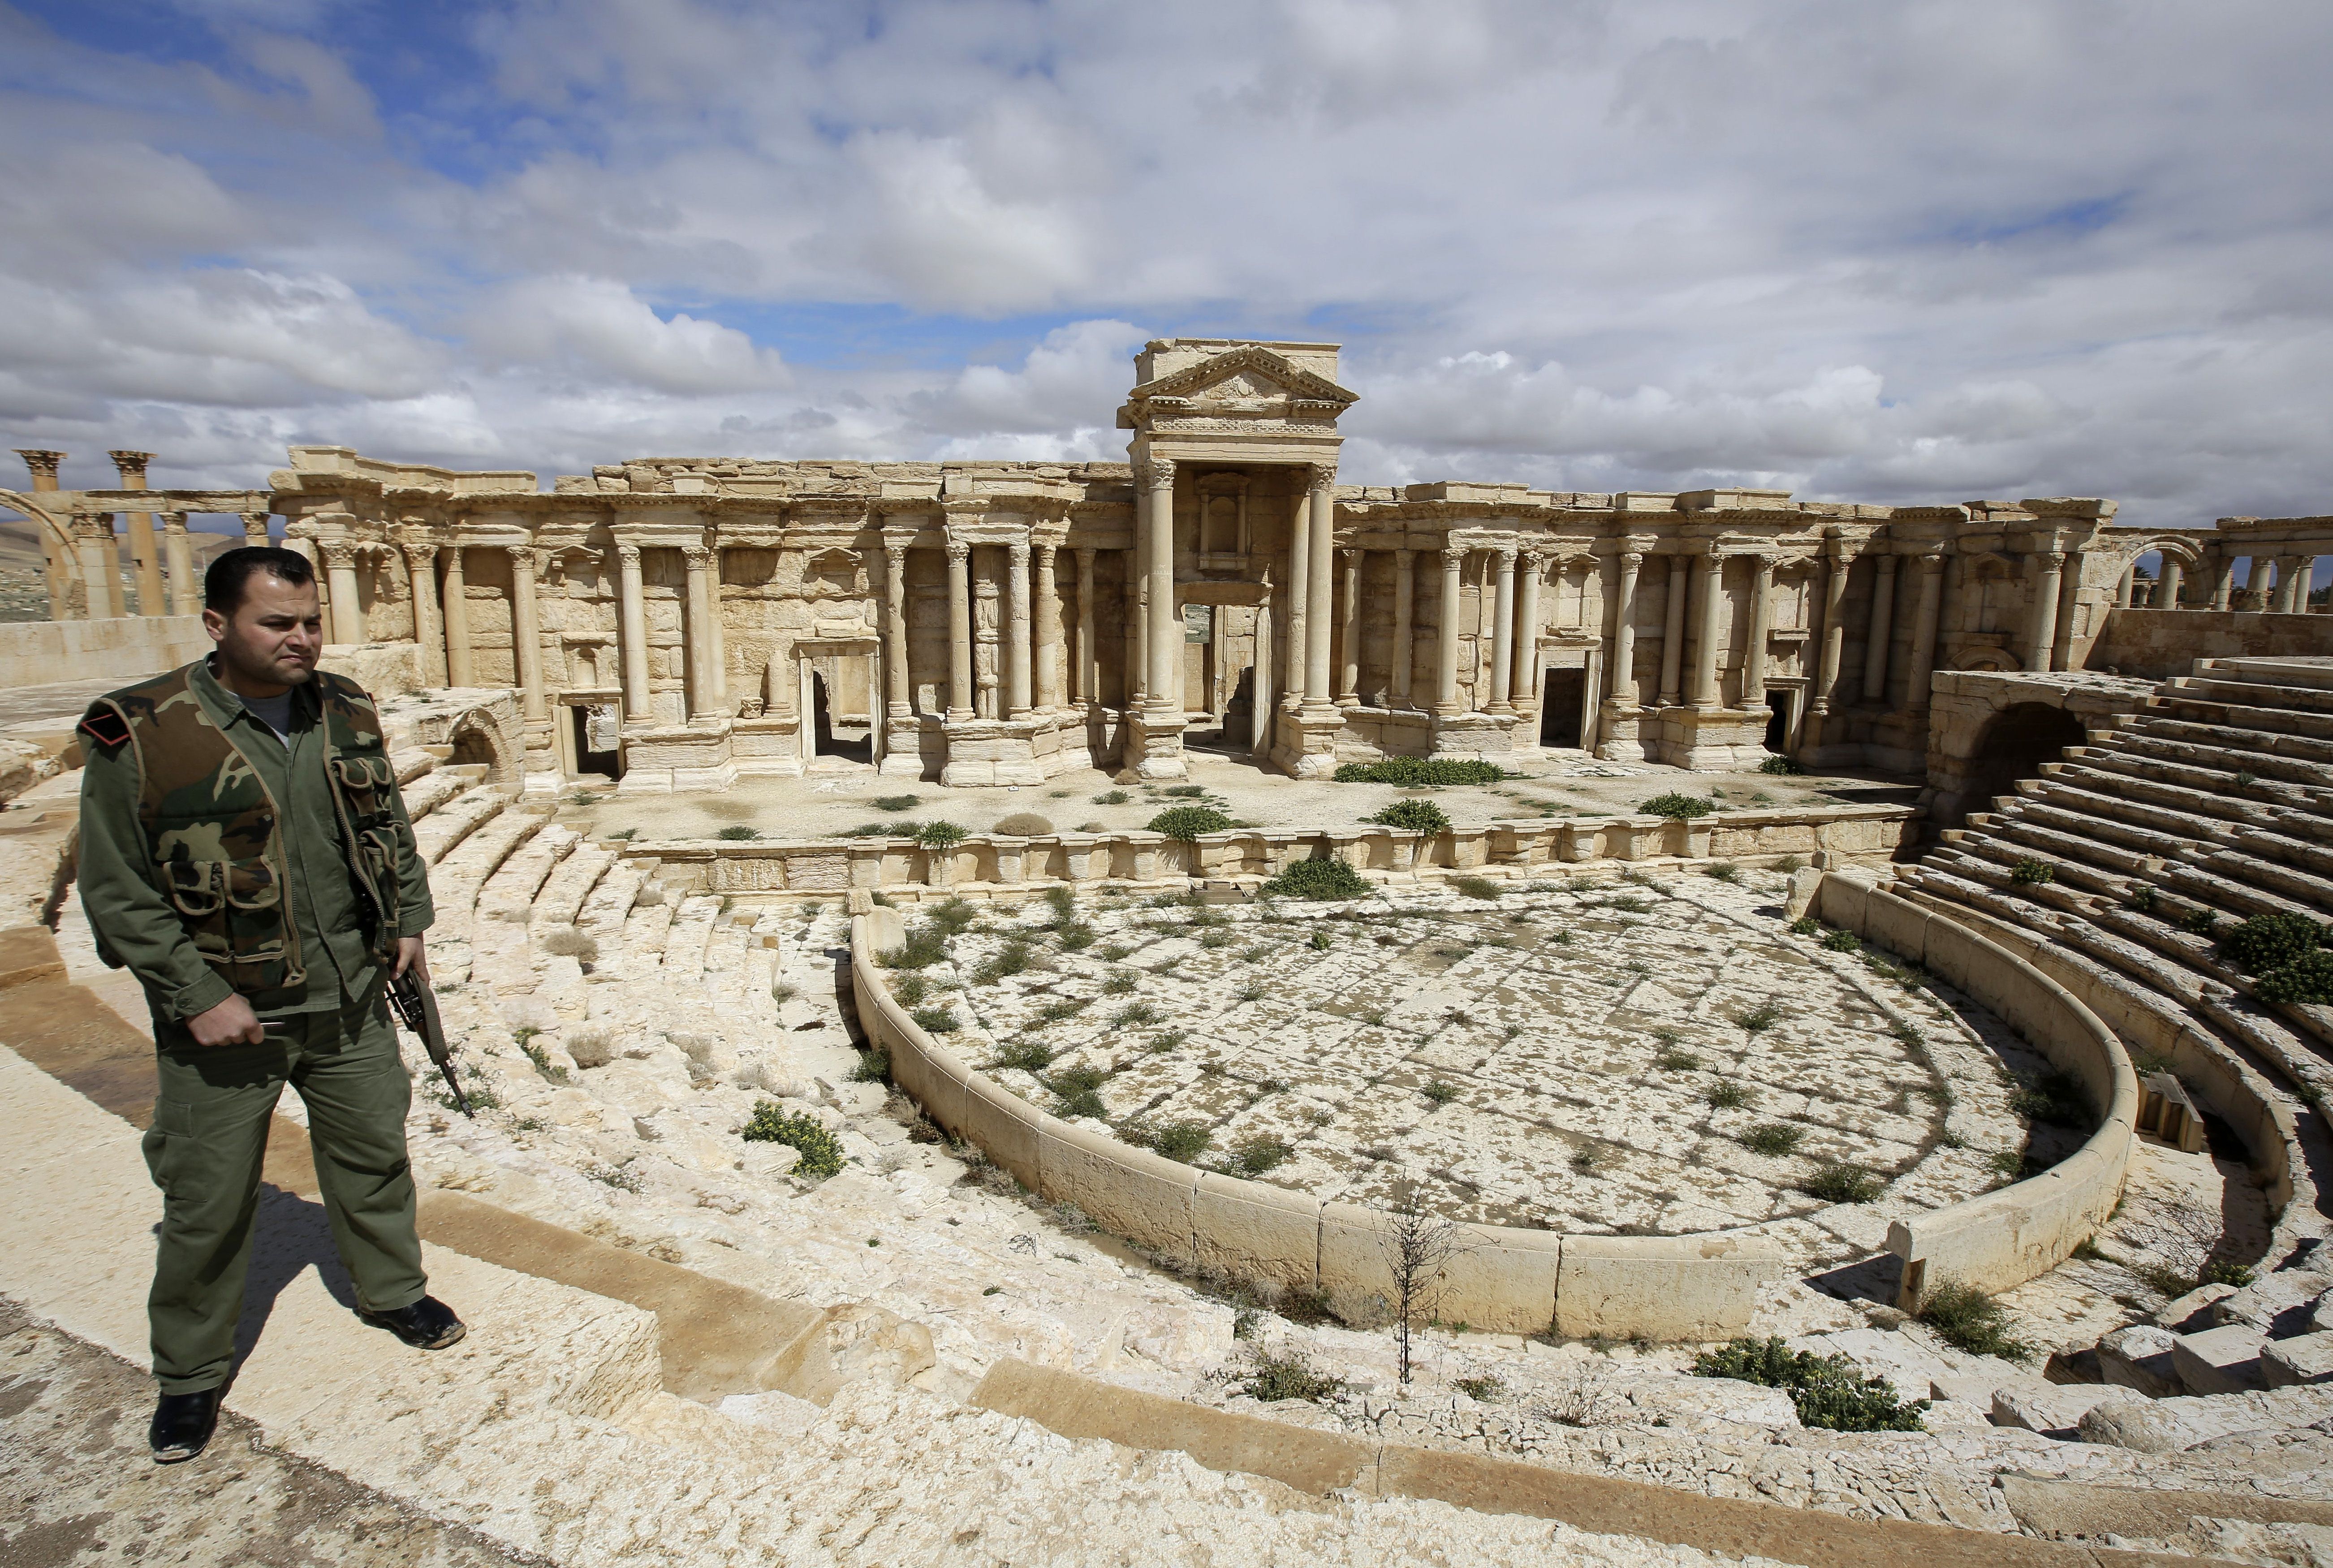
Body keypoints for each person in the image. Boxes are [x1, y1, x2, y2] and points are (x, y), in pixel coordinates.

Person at [75, 544, 464, 1465]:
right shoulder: (143, 730)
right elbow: (116, 888)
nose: (301, 639)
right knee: (208, 1197)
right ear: (217, 625)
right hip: (230, 1012)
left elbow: (387, 828)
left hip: (350, 995)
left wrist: (408, 917)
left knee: (373, 1155)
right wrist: (194, 993)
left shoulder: (344, 708)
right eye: (276, 623)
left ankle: (391, 1290)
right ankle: (191, 1374)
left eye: (310, 621)